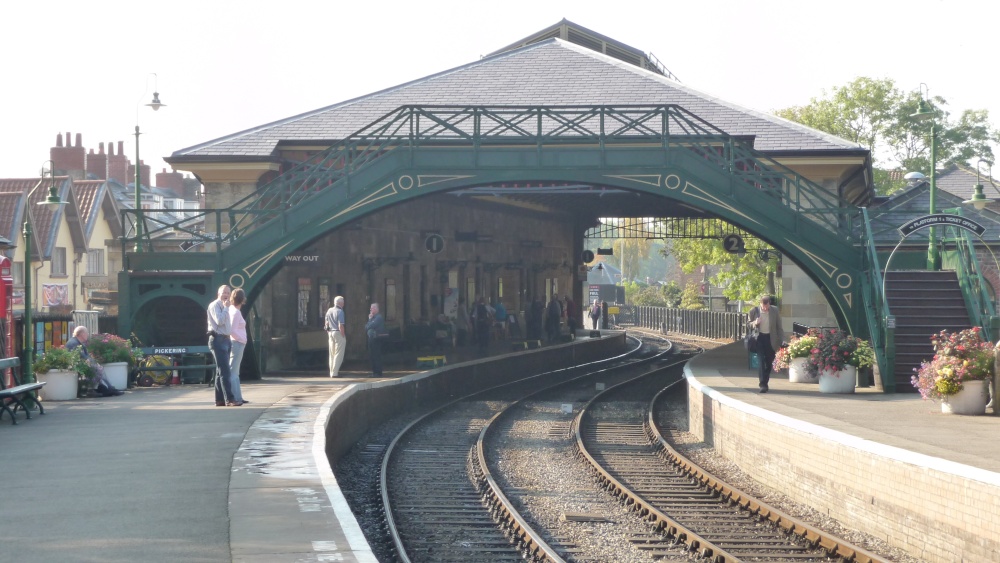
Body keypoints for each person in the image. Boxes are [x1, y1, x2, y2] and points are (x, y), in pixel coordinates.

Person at [66, 326, 123, 396]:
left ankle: (108, 388)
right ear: (82, 334)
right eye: (86, 333)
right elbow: (82, 357)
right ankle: (107, 389)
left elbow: (86, 356)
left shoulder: (79, 343)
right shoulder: (73, 343)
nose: (88, 334)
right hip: (77, 366)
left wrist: (94, 362)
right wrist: (93, 363)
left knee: (98, 367)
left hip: (81, 364)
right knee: (97, 368)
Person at [207, 284, 237, 406]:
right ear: (218, 294)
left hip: (226, 339)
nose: (226, 295)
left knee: (220, 372)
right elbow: (219, 321)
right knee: (225, 371)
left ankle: (219, 400)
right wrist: (225, 308)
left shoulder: (227, 307)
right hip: (217, 339)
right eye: (224, 292)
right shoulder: (215, 305)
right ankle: (229, 399)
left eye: (228, 293)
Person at [748, 295, 784, 393]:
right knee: (760, 361)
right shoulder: (754, 311)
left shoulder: (774, 310)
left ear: (769, 303)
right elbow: (748, 324)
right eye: (763, 306)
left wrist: (782, 339)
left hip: (771, 339)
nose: (765, 308)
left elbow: (779, 327)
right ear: (760, 304)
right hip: (759, 338)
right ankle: (763, 384)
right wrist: (755, 323)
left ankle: (765, 380)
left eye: (766, 306)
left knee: (769, 362)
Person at [228, 288, 249, 405]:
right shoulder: (236, 312)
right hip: (237, 343)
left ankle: (238, 396)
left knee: (235, 371)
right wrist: (241, 339)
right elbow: (232, 330)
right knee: (234, 371)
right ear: (243, 300)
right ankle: (236, 397)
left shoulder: (231, 310)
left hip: (235, 342)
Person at [324, 296, 347, 378]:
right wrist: (343, 335)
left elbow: (326, 323)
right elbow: (341, 325)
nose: (344, 303)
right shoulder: (340, 311)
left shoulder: (329, 310)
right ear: (340, 303)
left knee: (332, 353)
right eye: (343, 302)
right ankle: (335, 373)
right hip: (337, 332)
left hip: (330, 332)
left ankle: (331, 372)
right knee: (339, 353)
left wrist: (328, 331)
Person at [365, 302, 385, 377]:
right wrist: (370, 320)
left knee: (376, 355)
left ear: (376, 309)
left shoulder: (378, 317)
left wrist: (370, 321)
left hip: (376, 339)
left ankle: (378, 372)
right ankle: (374, 371)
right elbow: (366, 327)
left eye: (372, 308)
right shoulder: (372, 318)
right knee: (372, 355)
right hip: (371, 339)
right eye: (371, 307)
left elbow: (371, 325)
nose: (370, 309)